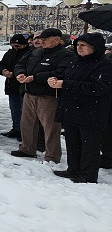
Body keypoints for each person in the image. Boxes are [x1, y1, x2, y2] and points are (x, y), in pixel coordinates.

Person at [48, 33, 112, 183]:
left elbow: (97, 87)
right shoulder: (77, 61)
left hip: (91, 111)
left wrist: (65, 84)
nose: (79, 48)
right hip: (72, 109)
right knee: (73, 142)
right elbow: (68, 76)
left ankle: (88, 175)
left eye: (83, 45)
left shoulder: (105, 64)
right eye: (78, 45)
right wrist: (57, 79)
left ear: (94, 47)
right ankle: (73, 169)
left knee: (89, 146)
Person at [11, 28, 75, 162]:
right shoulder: (36, 52)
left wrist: (36, 77)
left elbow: (62, 73)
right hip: (29, 92)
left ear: (56, 40)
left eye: (45, 39)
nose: (42, 41)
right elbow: (20, 64)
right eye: (41, 39)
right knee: (27, 124)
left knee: (50, 127)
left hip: (49, 95)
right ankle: (27, 148)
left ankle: (52, 155)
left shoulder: (66, 55)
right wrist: (20, 73)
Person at [0, 34, 31, 139]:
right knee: (14, 109)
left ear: (23, 44)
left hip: (23, 86)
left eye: (17, 45)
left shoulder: (29, 53)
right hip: (11, 85)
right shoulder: (10, 53)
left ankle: (25, 132)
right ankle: (16, 129)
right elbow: (1, 64)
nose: (15, 47)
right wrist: (4, 71)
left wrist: (18, 74)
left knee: (24, 112)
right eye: (13, 45)